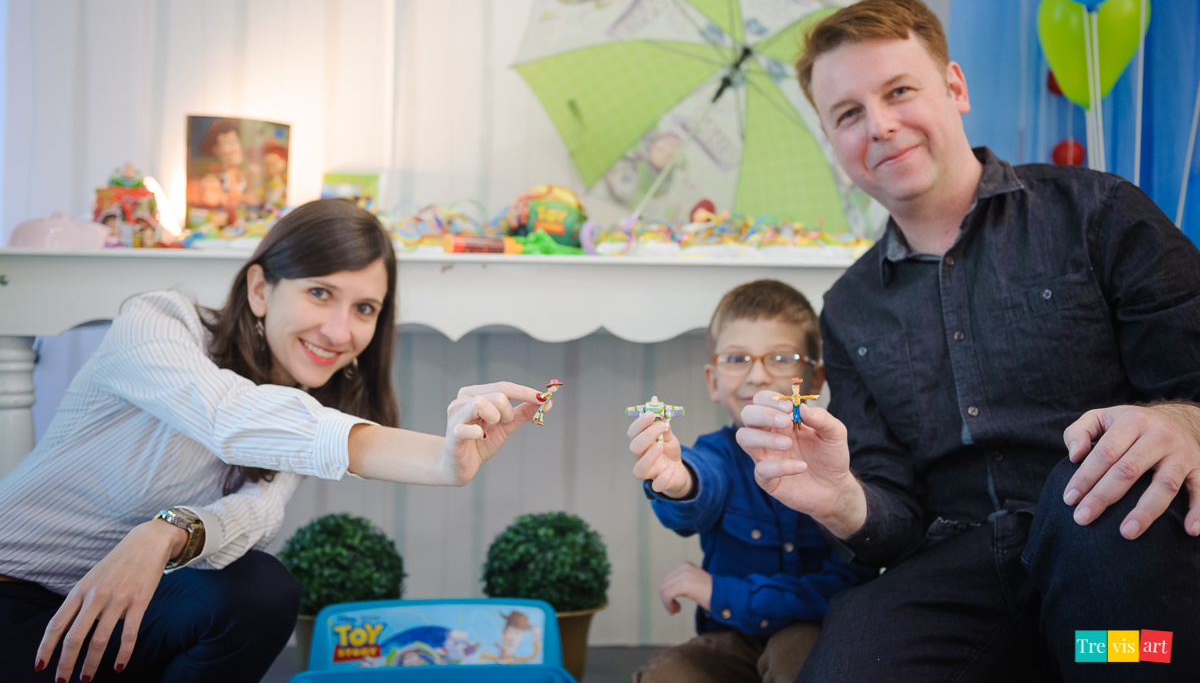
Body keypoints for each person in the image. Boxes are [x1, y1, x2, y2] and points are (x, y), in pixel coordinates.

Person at [735, 0, 1200, 681]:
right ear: (835, 143)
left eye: (899, 91)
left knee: (1115, 619)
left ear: (954, 87)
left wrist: (1182, 420)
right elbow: (894, 517)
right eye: (849, 114)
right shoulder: (849, 309)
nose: (881, 126)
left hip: (1112, 566)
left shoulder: (1100, 212)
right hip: (959, 573)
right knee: (849, 666)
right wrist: (843, 500)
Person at [0, 198, 550, 683]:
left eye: (364, 309)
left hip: (127, 611)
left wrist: (163, 534)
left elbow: (251, 516)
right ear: (260, 289)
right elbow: (227, 418)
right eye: (319, 293)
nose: (339, 333)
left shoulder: (302, 412)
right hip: (17, 597)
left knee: (261, 590)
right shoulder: (158, 323)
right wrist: (436, 456)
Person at [628, 280, 876, 683]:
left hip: (814, 630)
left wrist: (721, 593)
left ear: (814, 381)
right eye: (736, 358)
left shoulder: (838, 459)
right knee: (669, 675)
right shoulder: (717, 455)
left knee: (796, 653)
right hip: (732, 637)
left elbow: (849, 583)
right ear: (713, 380)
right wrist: (677, 481)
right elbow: (700, 479)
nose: (757, 375)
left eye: (780, 357)